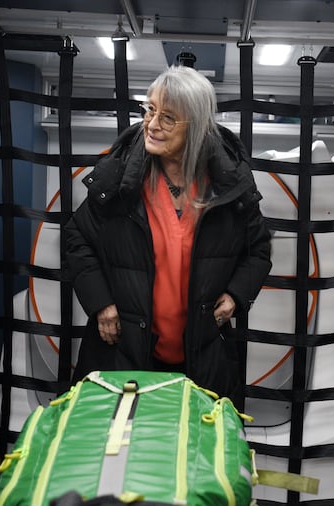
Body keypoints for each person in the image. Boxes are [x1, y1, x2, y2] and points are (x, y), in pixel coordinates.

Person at [63, 65, 272, 404]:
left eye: (169, 117)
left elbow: (259, 250)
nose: (152, 123)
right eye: (150, 109)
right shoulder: (119, 180)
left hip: (203, 360)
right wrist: (101, 304)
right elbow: (77, 237)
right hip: (124, 356)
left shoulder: (230, 186)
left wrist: (235, 296)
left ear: (198, 128)